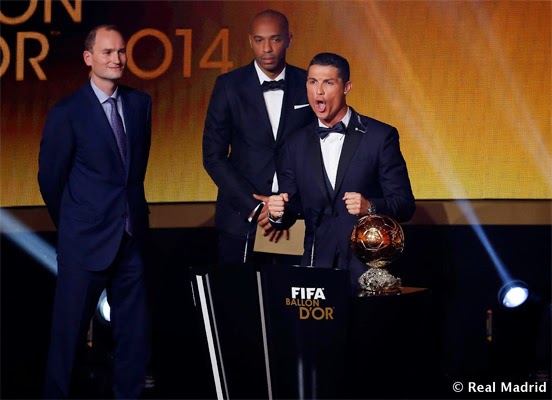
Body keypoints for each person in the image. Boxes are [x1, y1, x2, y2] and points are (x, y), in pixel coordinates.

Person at [38, 25, 152, 399]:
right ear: (89, 58)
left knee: (134, 335)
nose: (117, 59)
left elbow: (133, 174)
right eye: (107, 52)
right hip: (84, 243)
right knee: (68, 336)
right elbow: (50, 180)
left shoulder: (139, 104)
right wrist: (74, 223)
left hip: (131, 237)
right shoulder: (67, 112)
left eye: (120, 51)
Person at [267, 52, 416, 290]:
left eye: (328, 83)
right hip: (316, 271)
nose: (319, 91)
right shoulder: (293, 143)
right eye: (312, 82)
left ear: (346, 87)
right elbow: (291, 207)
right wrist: (277, 212)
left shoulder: (379, 137)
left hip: (367, 272)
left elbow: (405, 205)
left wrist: (370, 207)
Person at [202, 9, 316, 264]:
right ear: (249, 41)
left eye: (275, 39)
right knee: (240, 300)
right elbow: (213, 156)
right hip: (241, 217)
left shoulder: (308, 83)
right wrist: (255, 207)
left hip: (295, 216)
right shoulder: (228, 85)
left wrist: (288, 204)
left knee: (290, 299)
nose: (267, 48)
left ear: (289, 39)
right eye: (259, 40)